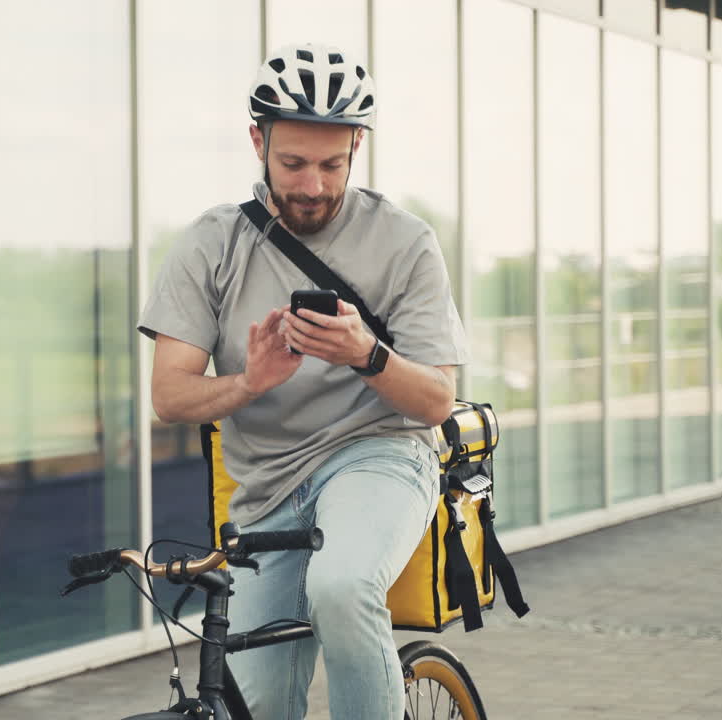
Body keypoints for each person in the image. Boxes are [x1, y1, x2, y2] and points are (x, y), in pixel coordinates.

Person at [137, 43, 469, 719]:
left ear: (356, 149)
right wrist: (248, 383)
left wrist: (367, 355)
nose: (313, 186)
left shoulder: (406, 242)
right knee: (250, 706)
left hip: (378, 454)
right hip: (264, 487)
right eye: (293, 163)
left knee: (343, 587)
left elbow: (437, 401)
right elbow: (169, 396)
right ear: (257, 141)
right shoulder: (210, 245)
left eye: (331, 165)